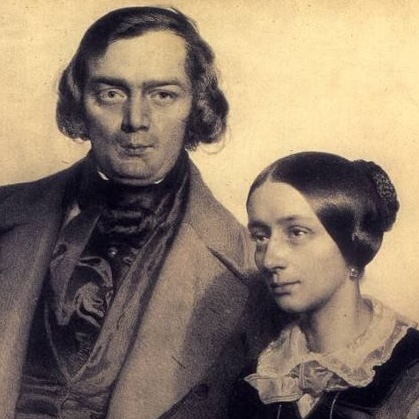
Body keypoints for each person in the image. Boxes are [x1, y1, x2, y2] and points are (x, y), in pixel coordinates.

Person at [0, 7, 271, 419]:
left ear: (196, 105)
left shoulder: (248, 264)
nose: (136, 120)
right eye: (112, 93)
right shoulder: (7, 213)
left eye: (162, 95)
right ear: (80, 100)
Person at [229, 152, 419, 418]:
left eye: (296, 232)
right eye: (261, 237)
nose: (270, 259)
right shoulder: (256, 380)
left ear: (352, 243)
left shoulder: (412, 365)